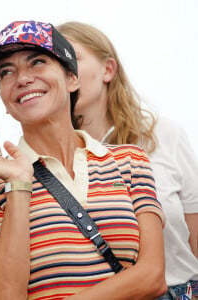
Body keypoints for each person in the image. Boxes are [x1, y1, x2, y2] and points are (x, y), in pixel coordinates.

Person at [0, 20, 167, 300]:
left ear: (72, 79)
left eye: (37, 62)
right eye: (6, 72)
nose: (22, 78)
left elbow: (153, 277)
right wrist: (19, 185)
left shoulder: (130, 160)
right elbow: (4, 295)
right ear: (5, 101)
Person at [56, 21, 198, 299]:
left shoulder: (164, 135)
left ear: (108, 70)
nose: (61, 71)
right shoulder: (48, 159)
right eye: (52, 62)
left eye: (71, 57)